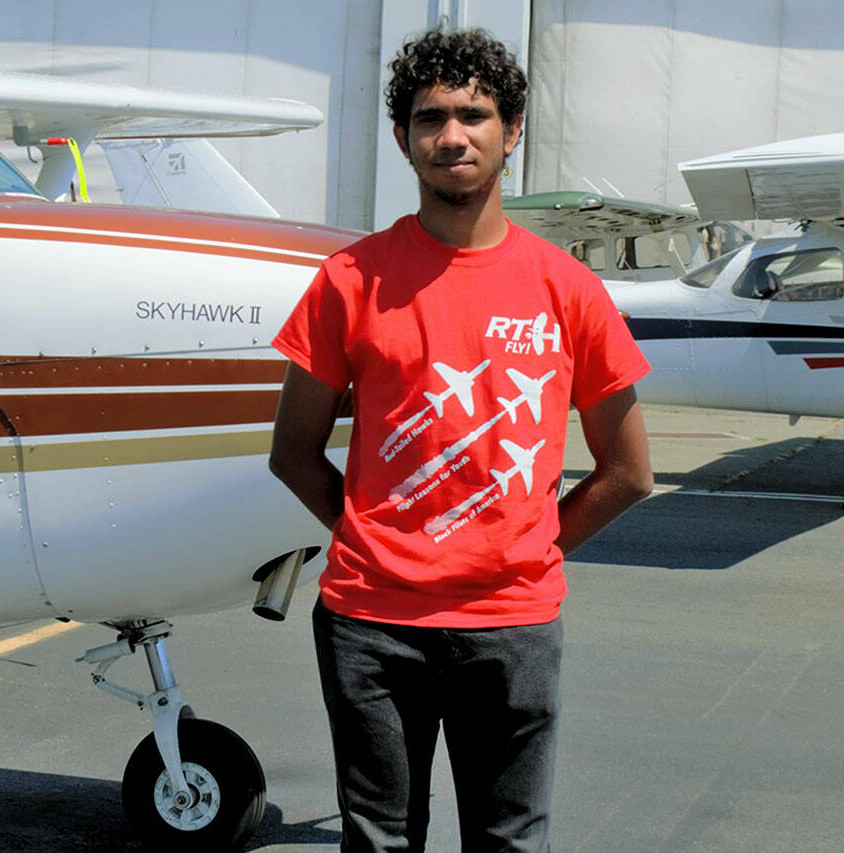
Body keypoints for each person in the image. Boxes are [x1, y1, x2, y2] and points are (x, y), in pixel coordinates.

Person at [268, 26, 654, 853]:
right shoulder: (348, 282)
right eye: (429, 116)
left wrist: (531, 547)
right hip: (371, 625)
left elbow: (628, 472)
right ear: (405, 138)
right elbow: (292, 450)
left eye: (473, 114)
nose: (452, 135)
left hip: (512, 626)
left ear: (510, 131)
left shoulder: (569, 290)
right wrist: (375, 541)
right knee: (378, 842)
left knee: (510, 843)